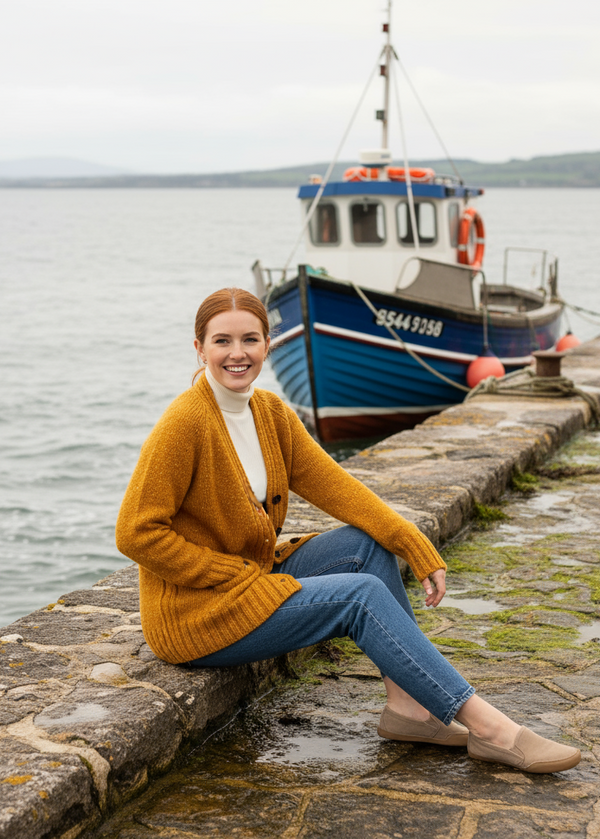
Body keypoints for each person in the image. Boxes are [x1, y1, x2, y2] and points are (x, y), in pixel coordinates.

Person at [116, 287, 580, 774]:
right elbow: (135, 532)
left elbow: (339, 488)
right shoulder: (185, 422)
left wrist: (412, 543)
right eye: (222, 341)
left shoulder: (270, 413)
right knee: (358, 596)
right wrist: (226, 572)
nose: (237, 354)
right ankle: (492, 729)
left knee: (367, 546)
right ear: (199, 348)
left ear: (268, 344)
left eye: (250, 339)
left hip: (248, 581)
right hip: (196, 614)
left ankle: (410, 710)